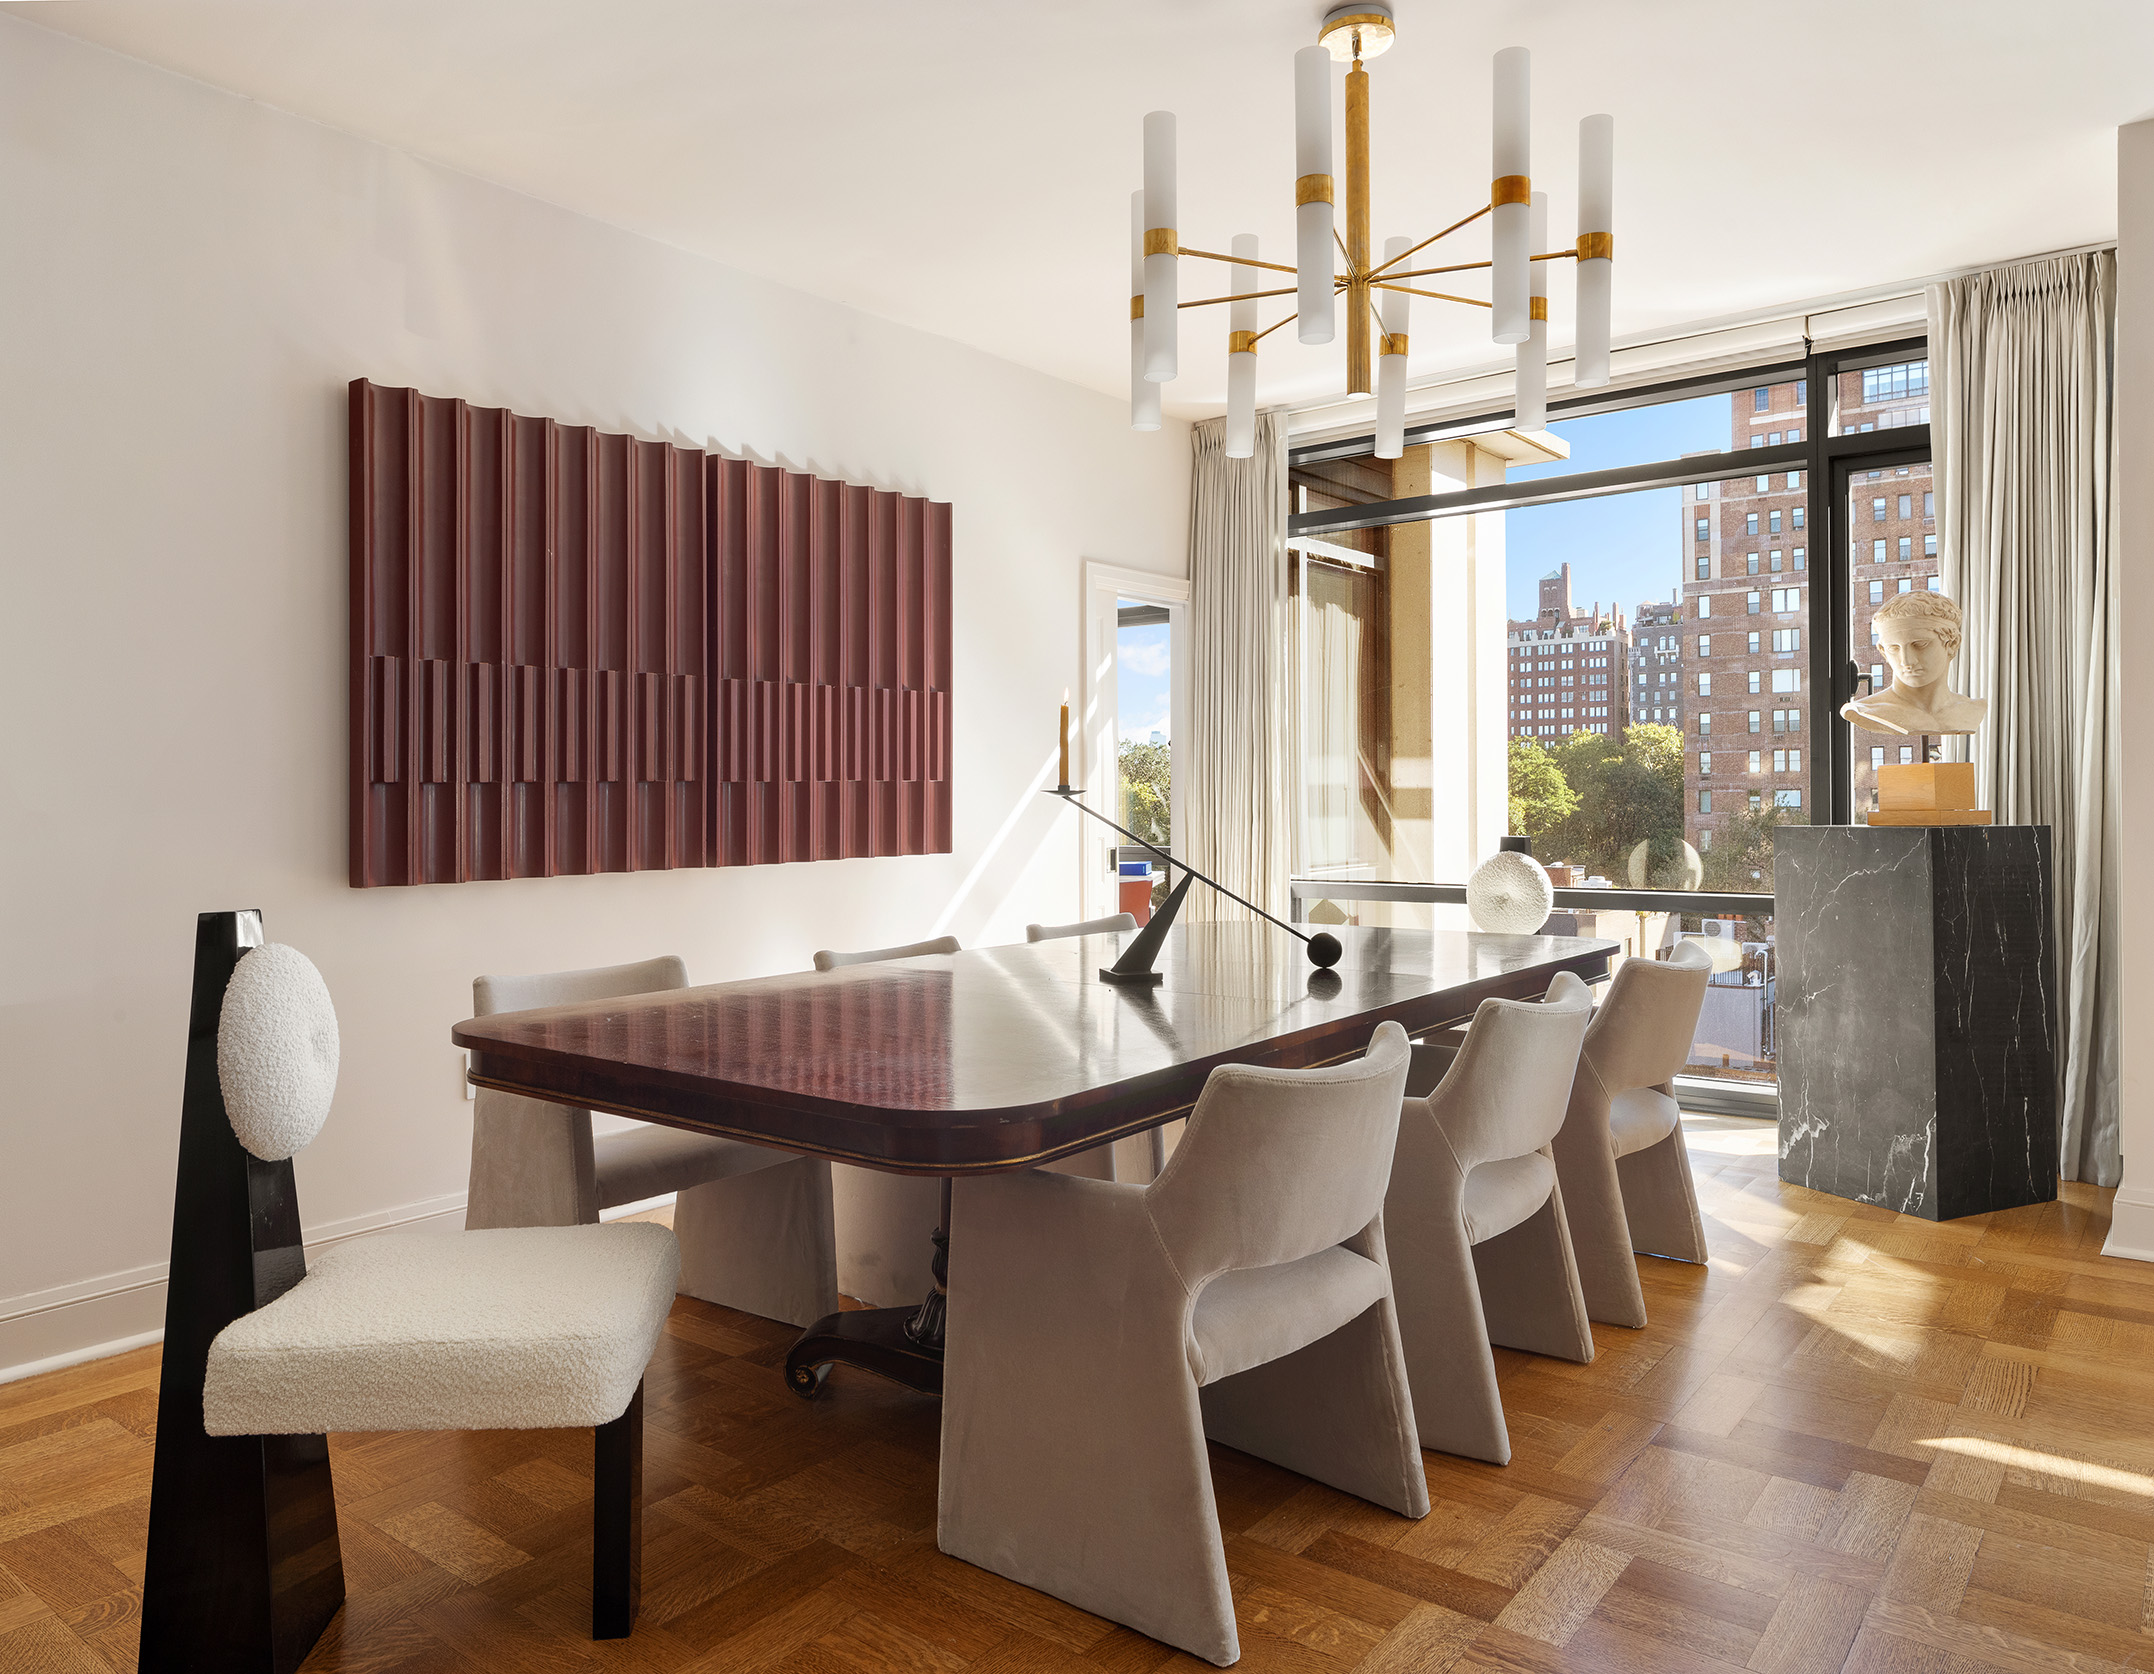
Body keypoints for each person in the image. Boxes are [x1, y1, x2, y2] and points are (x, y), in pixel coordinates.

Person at [1840, 590, 1987, 737]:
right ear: (1883, 651)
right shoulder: (1867, 710)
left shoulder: (1972, 708)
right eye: (1894, 648)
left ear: (1952, 644)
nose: (1907, 661)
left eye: (1920, 645)